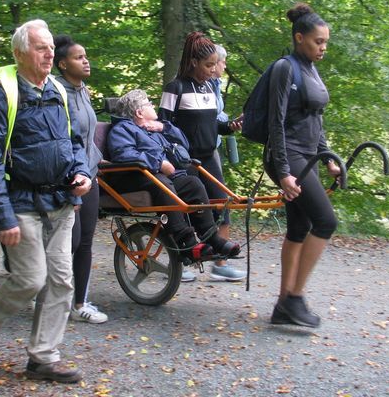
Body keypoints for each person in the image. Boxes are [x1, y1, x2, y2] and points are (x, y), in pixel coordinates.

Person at [0, 19, 91, 383]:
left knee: (61, 281)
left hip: (61, 199)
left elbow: (71, 141)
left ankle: (43, 357)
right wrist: (1, 215)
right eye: (41, 48)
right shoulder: (1, 93)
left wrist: (82, 171)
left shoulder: (56, 87)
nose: (50, 53)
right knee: (30, 279)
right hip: (20, 202)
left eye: (51, 47)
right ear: (21, 52)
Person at [264, 3, 341, 328]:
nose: (322, 47)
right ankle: (295, 297)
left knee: (299, 228)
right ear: (299, 38)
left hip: (307, 156)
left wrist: (328, 158)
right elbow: (276, 123)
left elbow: (315, 121)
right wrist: (283, 173)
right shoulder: (286, 67)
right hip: (288, 156)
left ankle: (283, 305)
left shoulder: (311, 68)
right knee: (325, 222)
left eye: (325, 42)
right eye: (317, 42)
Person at [105, 89, 240, 263]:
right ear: (139, 112)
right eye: (148, 103)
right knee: (161, 184)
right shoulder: (122, 129)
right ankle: (187, 244)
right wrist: (158, 163)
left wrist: (164, 127)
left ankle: (211, 238)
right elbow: (123, 154)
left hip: (162, 177)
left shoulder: (153, 130)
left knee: (193, 184)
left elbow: (184, 144)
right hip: (135, 178)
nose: (153, 105)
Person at [158, 32, 246, 283]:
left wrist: (230, 126)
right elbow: (162, 125)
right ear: (194, 62)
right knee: (187, 208)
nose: (212, 70)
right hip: (185, 160)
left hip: (209, 157)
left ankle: (218, 260)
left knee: (221, 203)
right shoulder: (175, 88)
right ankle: (182, 260)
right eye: (208, 65)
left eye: (214, 65)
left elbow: (211, 125)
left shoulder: (208, 87)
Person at [53, 35, 108, 325]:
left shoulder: (83, 90)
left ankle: (79, 303)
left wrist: (96, 161)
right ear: (62, 64)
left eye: (85, 56)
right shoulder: (55, 94)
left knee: (85, 240)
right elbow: (62, 141)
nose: (86, 61)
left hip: (91, 174)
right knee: (68, 243)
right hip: (68, 179)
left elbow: (86, 136)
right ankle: (51, 298)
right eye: (78, 57)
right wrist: (72, 182)